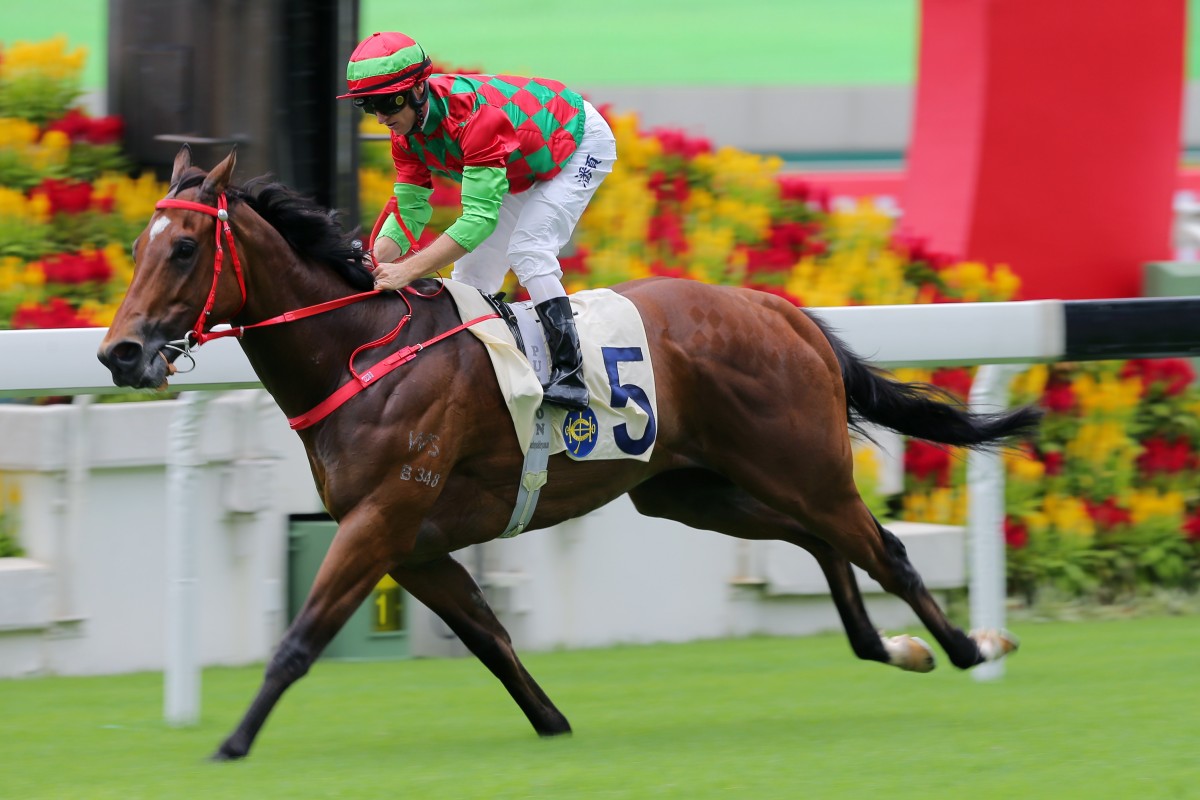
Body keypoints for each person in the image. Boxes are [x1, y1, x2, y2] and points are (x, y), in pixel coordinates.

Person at [338, 31, 617, 411]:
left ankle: (572, 374)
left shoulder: (474, 118)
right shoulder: (405, 133)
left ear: (418, 91)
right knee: (470, 281)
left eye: (389, 103)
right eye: (369, 107)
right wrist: (376, 260)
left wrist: (408, 270)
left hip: (578, 142)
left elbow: (478, 221)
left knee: (529, 250)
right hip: (520, 165)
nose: (382, 118)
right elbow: (411, 210)